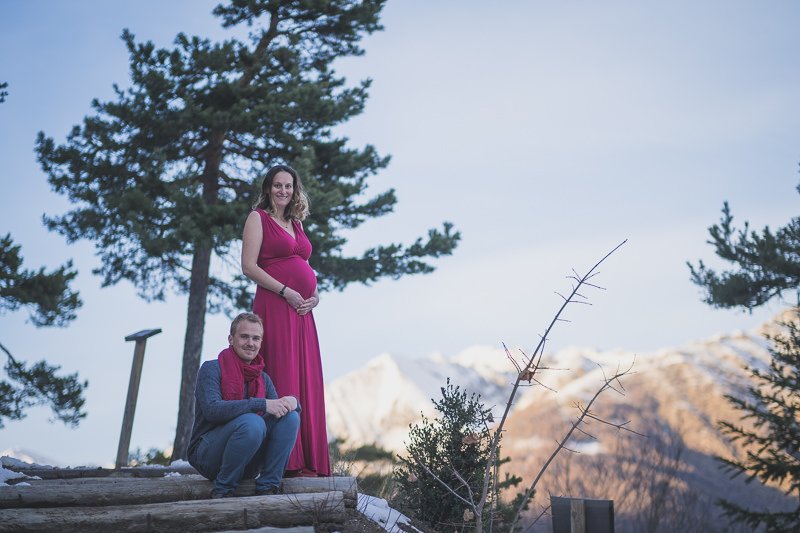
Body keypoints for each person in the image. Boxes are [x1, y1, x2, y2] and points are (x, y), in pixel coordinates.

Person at [241, 164, 331, 477]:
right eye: (278, 185)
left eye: (288, 186)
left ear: (295, 190)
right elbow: (249, 266)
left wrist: (314, 296)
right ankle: (286, 462)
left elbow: (304, 265)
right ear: (268, 188)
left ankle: (309, 460)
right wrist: (285, 291)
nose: (283, 191)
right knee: (284, 373)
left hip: (303, 312)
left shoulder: (296, 223)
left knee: (306, 378)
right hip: (275, 307)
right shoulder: (258, 218)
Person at [188, 312, 300, 498]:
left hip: (248, 461)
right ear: (231, 339)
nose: (250, 343)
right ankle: (223, 491)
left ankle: (268, 487)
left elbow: (277, 410)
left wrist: (294, 402)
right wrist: (260, 404)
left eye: (256, 338)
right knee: (252, 422)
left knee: (290, 417)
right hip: (208, 455)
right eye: (244, 336)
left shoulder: (263, 378)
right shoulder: (211, 369)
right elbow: (212, 410)